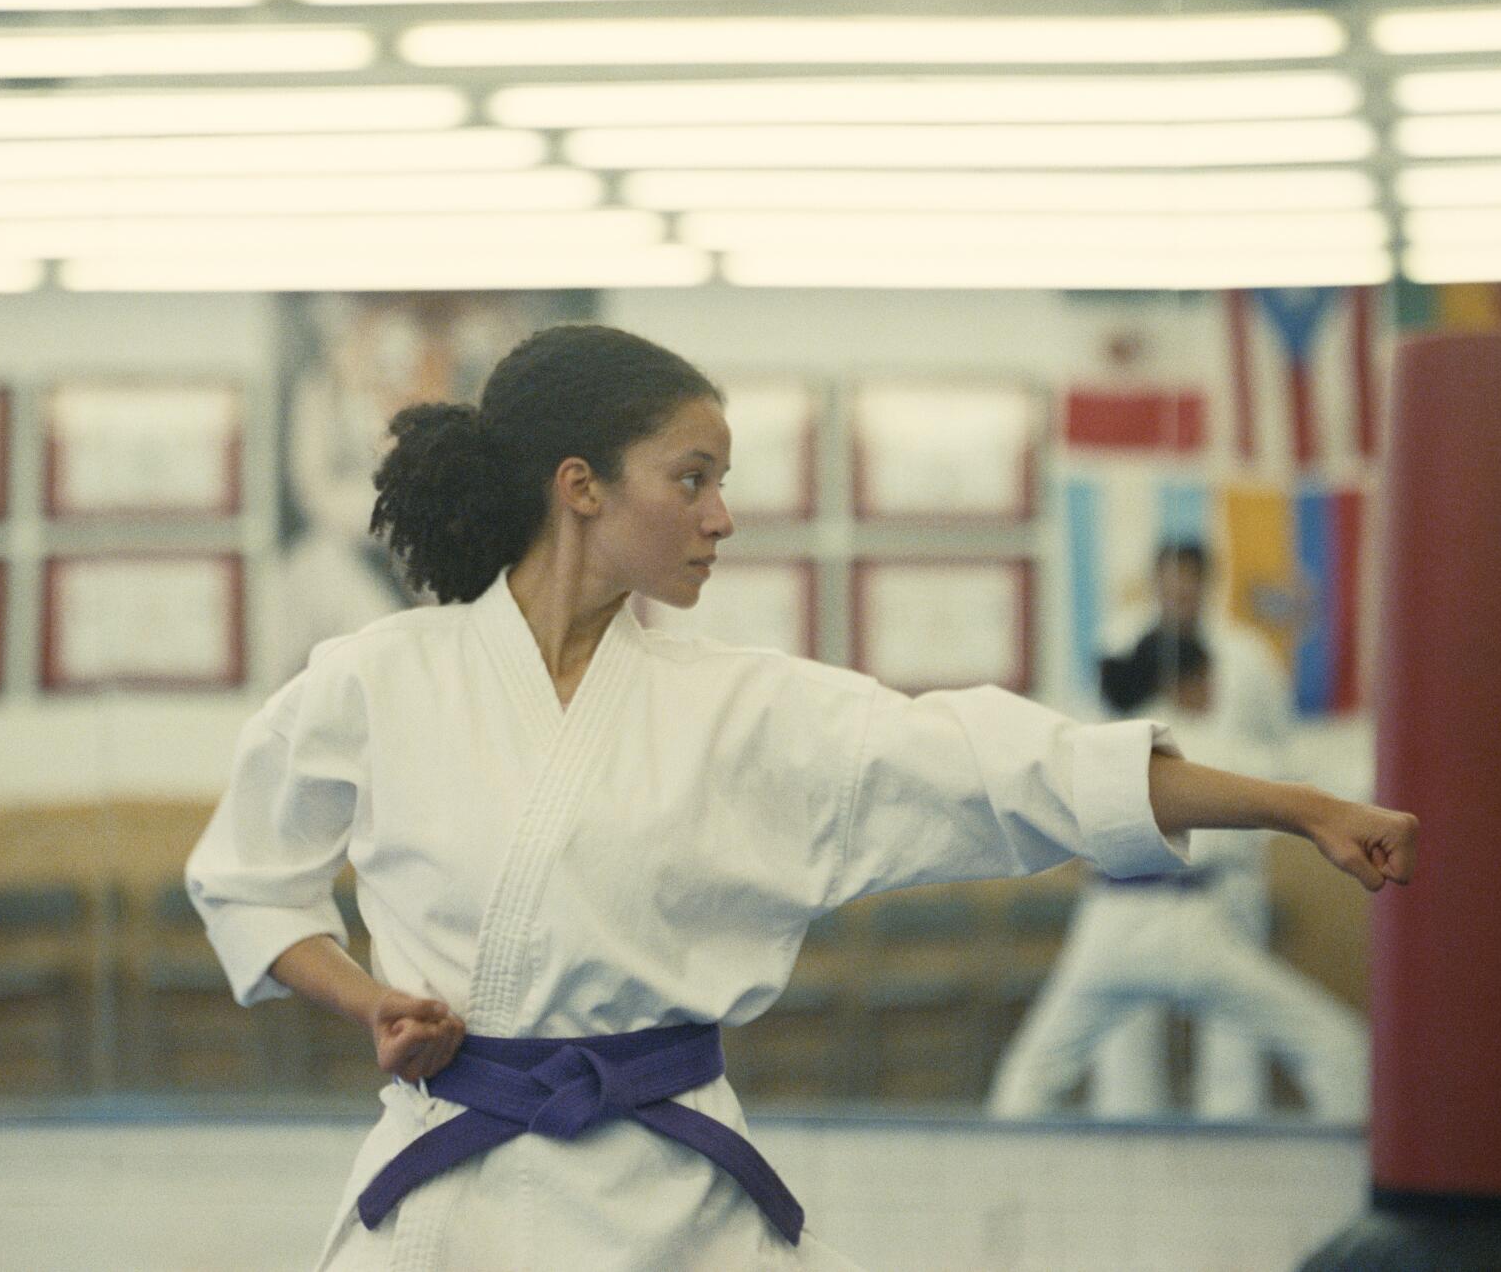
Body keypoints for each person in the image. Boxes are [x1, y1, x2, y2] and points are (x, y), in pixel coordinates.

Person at [186, 324, 1416, 1269]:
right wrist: (367, 1002)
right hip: (447, 1204)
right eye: (693, 476)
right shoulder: (376, 679)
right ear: (580, 485)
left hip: (672, 1204)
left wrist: (1295, 802)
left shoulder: (749, 707)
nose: (722, 516)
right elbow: (246, 876)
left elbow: (997, 765)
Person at [1078, 542, 1335, 1120]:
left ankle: (1233, 1119)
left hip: (1225, 871)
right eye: (1168, 584)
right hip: (1134, 868)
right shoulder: (1122, 648)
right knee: (1124, 1018)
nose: (1178, 595)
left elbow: (1278, 749)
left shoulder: (1245, 657)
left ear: (1207, 586)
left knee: (1234, 1014)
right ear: (1154, 583)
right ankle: (1126, 1119)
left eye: (1189, 585)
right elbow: (1093, 752)